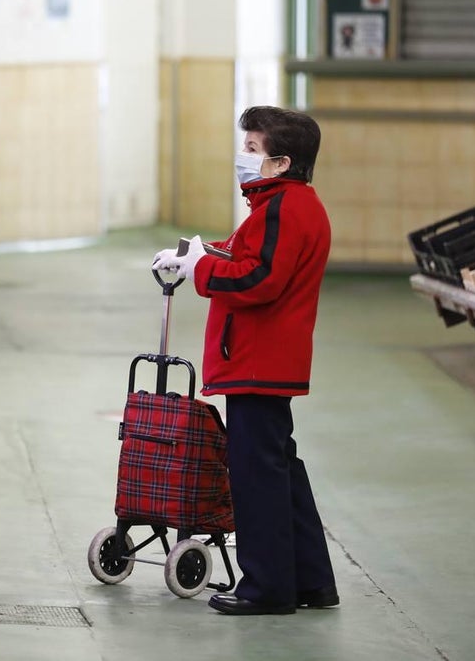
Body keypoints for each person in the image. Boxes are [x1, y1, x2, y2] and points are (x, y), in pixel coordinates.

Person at [152, 105, 338, 616]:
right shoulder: (282, 206)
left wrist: (201, 272)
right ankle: (312, 581)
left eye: (252, 149)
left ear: (281, 162)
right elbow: (248, 258)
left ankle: (267, 587)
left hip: (259, 360)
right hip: (268, 359)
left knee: (255, 475)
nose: (243, 157)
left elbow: (259, 281)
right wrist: (197, 253)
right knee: (281, 468)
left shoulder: (282, 209)